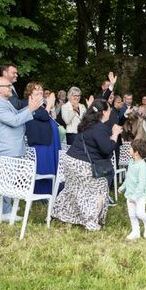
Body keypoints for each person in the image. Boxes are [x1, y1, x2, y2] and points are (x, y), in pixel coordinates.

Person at [52, 99, 122, 231]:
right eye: (109, 111)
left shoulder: (87, 123)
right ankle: (91, 222)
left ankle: (62, 214)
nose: (110, 113)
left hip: (69, 161)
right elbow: (107, 150)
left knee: (73, 188)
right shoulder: (100, 128)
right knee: (101, 187)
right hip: (81, 164)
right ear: (103, 113)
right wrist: (115, 135)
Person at [0, 76, 43, 221]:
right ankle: (4, 212)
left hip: (12, 146)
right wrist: (31, 109)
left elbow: (17, 115)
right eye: (7, 86)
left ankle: (1, 208)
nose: (11, 87)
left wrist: (30, 108)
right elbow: (14, 121)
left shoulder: (3, 102)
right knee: (7, 180)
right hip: (8, 147)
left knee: (8, 179)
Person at [24, 82, 61, 194]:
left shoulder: (42, 105)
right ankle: (43, 191)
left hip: (50, 140)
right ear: (30, 94)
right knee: (44, 166)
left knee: (53, 163)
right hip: (40, 141)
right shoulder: (30, 106)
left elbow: (53, 117)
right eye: (37, 91)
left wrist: (51, 106)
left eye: (41, 90)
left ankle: (54, 189)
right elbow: (44, 116)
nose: (40, 92)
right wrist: (49, 104)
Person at [119, 139, 146, 240]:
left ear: (136, 152)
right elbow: (128, 177)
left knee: (140, 213)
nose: (129, 149)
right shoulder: (131, 162)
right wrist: (123, 187)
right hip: (130, 194)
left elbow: (141, 185)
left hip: (139, 196)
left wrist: (135, 197)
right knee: (132, 214)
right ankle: (136, 231)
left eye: (131, 148)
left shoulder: (143, 167)